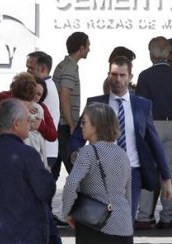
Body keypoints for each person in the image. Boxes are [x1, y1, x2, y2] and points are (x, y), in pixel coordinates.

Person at [69, 56, 172, 220]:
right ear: (108, 75)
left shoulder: (142, 105)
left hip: (132, 173)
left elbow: (154, 142)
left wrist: (166, 178)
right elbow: (77, 137)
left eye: (122, 75)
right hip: (101, 173)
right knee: (100, 223)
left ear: (130, 77)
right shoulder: (95, 104)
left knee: (125, 223)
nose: (118, 79)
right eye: (114, 74)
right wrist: (76, 154)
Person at [0, 98, 56, 244]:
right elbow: (45, 190)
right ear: (16, 124)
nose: (30, 124)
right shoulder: (28, 155)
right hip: (24, 235)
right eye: (27, 120)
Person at [134, 37, 172, 230]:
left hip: (151, 125)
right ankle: (166, 216)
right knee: (168, 172)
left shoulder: (145, 76)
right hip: (171, 125)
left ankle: (144, 215)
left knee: (149, 169)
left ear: (151, 55)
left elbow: (141, 106)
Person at [62, 103, 133, 244]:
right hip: (124, 226)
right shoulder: (122, 153)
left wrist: (66, 212)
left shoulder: (88, 152)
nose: (81, 126)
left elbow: (71, 183)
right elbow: (128, 193)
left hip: (95, 225)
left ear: (96, 125)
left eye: (84, 122)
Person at [53, 32, 90, 176]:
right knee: (74, 168)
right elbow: (64, 96)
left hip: (61, 123)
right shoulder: (69, 67)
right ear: (81, 48)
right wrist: (71, 124)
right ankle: (79, 198)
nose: (89, 49)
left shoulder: (67, 65)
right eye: (88, 45)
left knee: (54, 169)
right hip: (63, 124)